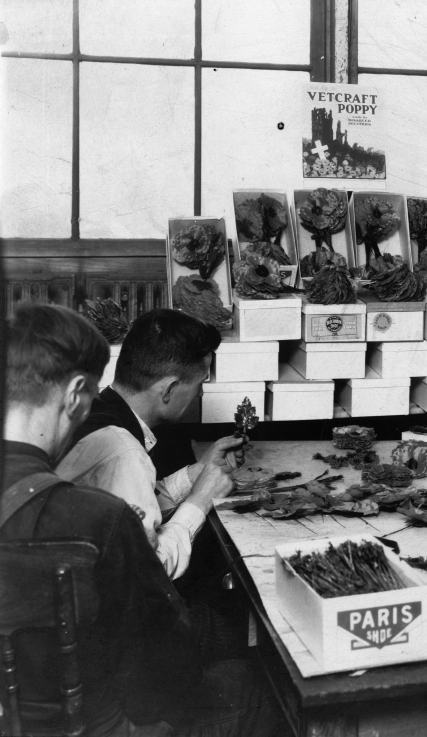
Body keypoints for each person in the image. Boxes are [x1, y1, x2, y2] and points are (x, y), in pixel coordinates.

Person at [1, 304, 283, 737]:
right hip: (96, 715)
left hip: (27, 701)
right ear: (77, 390)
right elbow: (157, 609)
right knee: (259, 680)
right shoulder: (116, 461)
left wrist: (195, 475)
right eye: (91, 390)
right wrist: (202, 499)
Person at [56, 308, 243, 579]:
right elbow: (148, 570)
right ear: (168, 389)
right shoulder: (123, 450)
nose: (200, 392)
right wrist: (199, 502)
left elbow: (130, 505)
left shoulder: (93, 412)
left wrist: (197, 473)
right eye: (200, 383)